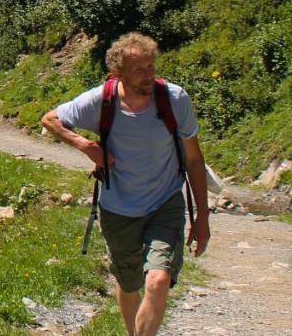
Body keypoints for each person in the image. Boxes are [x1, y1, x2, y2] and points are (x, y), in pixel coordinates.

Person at [41, 32, 211, 336]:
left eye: (151, 67)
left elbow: (195, 160)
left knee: (157, 280)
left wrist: (203, 218)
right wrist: (86, 145)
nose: (148, 76)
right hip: (118, 209)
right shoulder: (101, 101)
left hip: (166, 202)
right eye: (139, 70)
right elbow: (50, 119)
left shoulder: (174, 99)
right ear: (118, 73)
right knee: (128, 283)